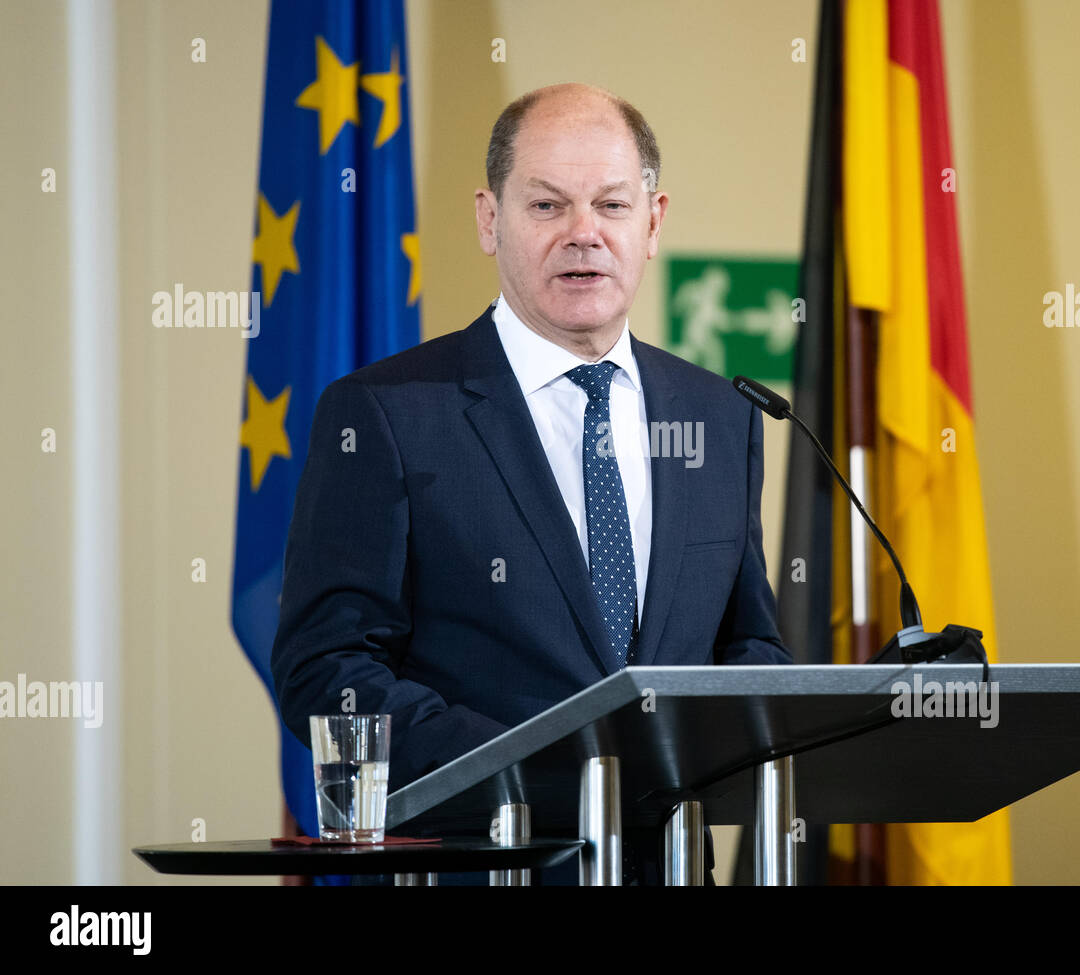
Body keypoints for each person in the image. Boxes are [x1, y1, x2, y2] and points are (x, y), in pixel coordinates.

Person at [271, 82, 792, 885]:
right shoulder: (386, 413)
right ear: (489, 219)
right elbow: (327, 665)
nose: (584, 235)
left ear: (652, 223)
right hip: (474, 866)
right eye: (547, 207)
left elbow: (745, 644)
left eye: (611, 205)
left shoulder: (720, 416)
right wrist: (523, 763)